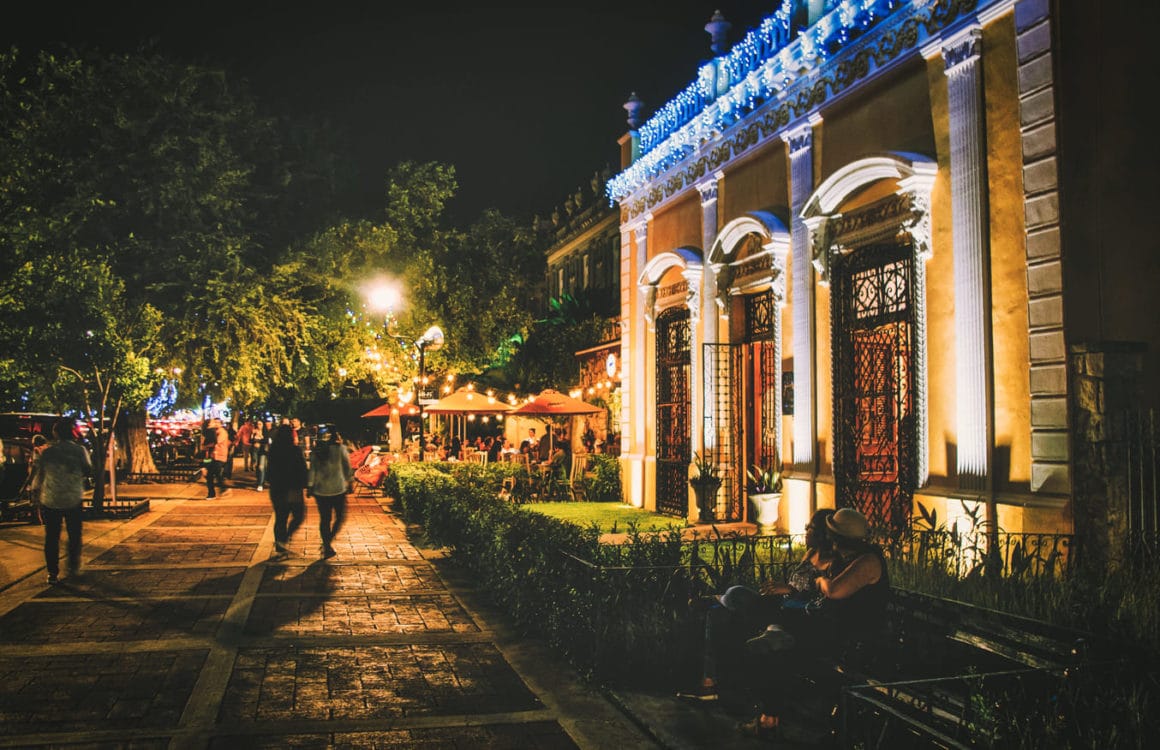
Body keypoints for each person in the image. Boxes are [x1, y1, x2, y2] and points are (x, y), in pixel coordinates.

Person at [736, 507, 889, 740]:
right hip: (832, 630)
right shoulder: (846, 558)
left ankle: (769, 717)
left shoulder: (868, 561)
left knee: (778, 650)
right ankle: (769, 717)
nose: (830, 540)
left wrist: (821, 582)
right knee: (773, 648)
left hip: (856, 642)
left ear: (839, 538)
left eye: (832, 535)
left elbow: (835, 590)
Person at [679, 509, 836, 704]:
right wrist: (780, 588)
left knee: (737, 594)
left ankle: (715, 598)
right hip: (777, 605)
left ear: (821, 534)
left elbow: (820, 600)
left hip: (789, 615)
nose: (805, 531)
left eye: (809, 527)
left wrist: (789, 590)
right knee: (717, 614)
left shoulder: (831, 564)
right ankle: (708, 683)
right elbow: (793, 585)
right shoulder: (810, 554)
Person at [32, 419, 92, 584]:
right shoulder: (79, 450)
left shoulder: (49, 452)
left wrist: (36, 494)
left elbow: (40, 473)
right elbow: (88, 469)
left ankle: (52, 573)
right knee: (74, 535)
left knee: (51, 537)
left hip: (51, 498)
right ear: (71, 432)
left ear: (55, 434)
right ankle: (73, 568)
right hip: (73, 497)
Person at [307, 427, 353, 559]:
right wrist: (350, 481)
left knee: (325, 519)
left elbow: (312, 470)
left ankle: (326, 543)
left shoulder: (316, 452)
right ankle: (327, 542)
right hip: (338, 489)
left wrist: (310, 486)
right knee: (340, 517)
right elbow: (347, 467)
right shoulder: (340, 449)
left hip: (320, 490)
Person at [266, 425, 308, 557]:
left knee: (280, 516)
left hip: (277, 488)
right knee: (298, 515)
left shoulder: (273, 450)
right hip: (292, 488)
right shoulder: (294, 450)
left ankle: (280, 542)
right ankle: (285, 538)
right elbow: (301, 468)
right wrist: (305, 483)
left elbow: (270, 470)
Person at [200, 418, 231, 499]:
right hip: (212, 456)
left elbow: (215, 442)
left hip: (220, 456)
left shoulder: (222, 432)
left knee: (216, 472)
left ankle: (223, 488)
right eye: (215, 422)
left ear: (221, 424)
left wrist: (206, 446)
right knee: (210, 475)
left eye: (217, 422)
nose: (216, 424)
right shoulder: (213, 432)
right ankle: (213, 493)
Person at [253, 419, 272, 491]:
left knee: (263, 466)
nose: (259, 425)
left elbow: (267, 440)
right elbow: (250, 440)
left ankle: (261, 483)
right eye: (258, 424)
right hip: (256, 451)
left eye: (260, 424)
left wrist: (259, 439)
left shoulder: (266, 432)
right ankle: (260, 482)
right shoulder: (254, 432)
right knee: (258, 467)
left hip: (264, 451)